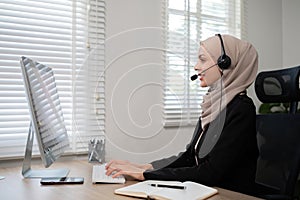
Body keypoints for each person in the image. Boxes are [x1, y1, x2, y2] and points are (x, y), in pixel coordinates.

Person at [105, 34, 259, 196]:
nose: (196, 67)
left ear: (224, 63)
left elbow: (211, 172)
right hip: (208, 190)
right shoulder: (214, 105)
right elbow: (189, 157)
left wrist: (146, 176)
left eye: (203, 60)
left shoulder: (241, 109)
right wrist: (145, 167)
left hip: (230, 195)